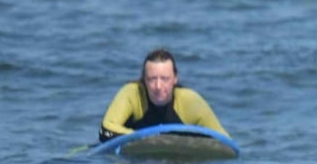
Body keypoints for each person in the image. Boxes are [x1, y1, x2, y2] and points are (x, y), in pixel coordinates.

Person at [98, 48, 229, 143]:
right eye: (152, 79)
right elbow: (105, 131)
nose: (158, 86)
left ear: (175, 79)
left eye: (165, 79)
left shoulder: (189, 101)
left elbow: (225, 141)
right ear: (143, 80)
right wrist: (149, 139)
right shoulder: (132, 93)